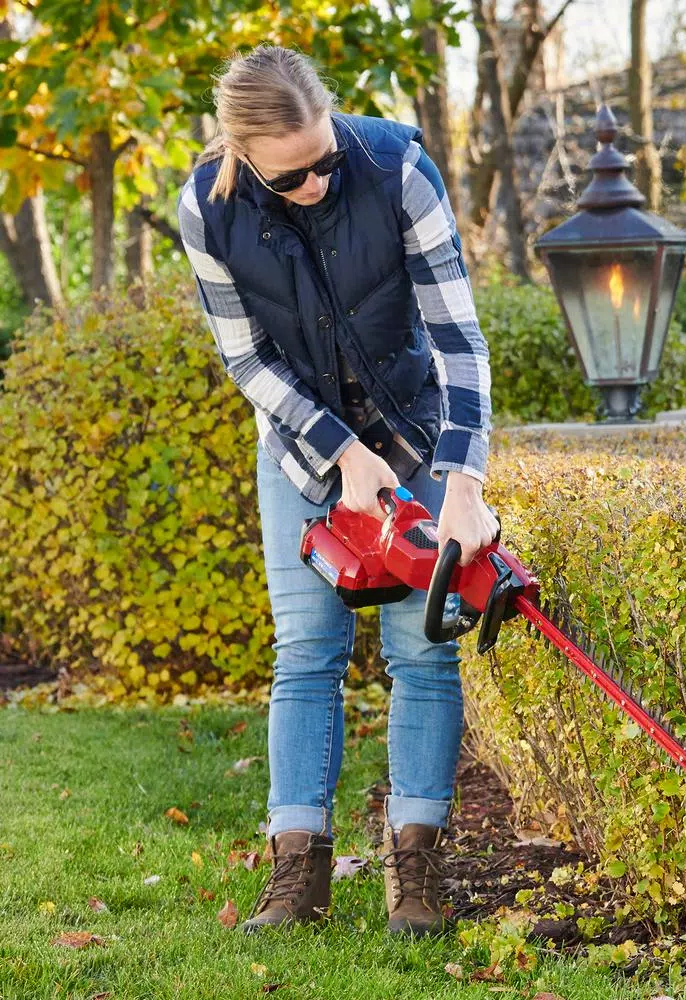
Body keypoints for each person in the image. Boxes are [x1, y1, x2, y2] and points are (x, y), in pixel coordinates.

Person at [177, 44, 497, 937]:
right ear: (241, 154)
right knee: (307, 652)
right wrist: (340, 451)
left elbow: (460, 340)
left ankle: (417, 872)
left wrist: (464, 485)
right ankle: (297, 873)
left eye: (324, 161)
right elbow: (247, 356)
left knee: (423, 652)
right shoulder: (206, 208)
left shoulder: (397, 168)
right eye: (291, 179)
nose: (316, 182)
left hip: (419, 434)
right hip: (300, 450)